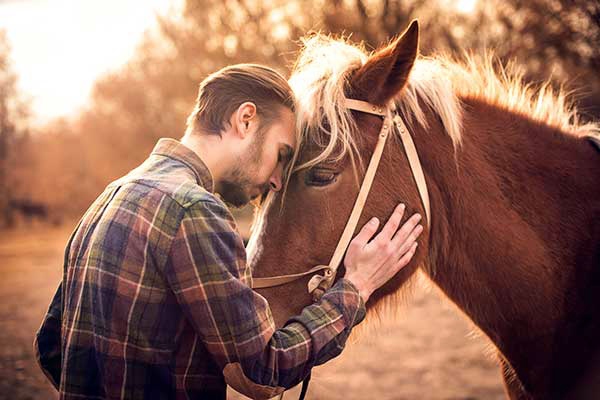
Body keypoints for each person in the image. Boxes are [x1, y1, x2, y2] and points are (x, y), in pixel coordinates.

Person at [34, 64, 423, 400]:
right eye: (282, 154)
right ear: (245, 119)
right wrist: (355, 286)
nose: (276, 180)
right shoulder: (195, 210)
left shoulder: (110, 196)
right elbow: (266, 367)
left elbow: (52, 347)